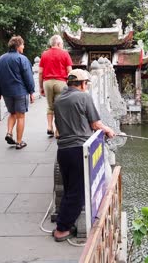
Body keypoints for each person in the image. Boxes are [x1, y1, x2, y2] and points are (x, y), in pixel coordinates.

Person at [52, 69, 115, 242]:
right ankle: (62, 229)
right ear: (82, 83)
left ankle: (63, 220)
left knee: (69, 189)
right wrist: (109, 130)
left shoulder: (58, 100)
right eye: (86, 84)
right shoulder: (84, 97)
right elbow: (95, 123)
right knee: (78, 191)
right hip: (79, 150)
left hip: (63, 151)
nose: (86, 87)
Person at [0, 35, 35, 150]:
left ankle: (9, 133)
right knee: (21, 116)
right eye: (22, 45)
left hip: (7, 92)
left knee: (12, 113)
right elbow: (28, 77)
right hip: (20, 92)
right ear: (18, 46)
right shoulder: (22, 59)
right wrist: (31, 91)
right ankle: (19, 142)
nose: (23, 47)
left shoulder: (1, 59)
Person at [39, 35, 73, 137]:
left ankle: (49, 127)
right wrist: (71, 86)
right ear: (58, 43)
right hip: (61, 82)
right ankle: (58, 131)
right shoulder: (65, 53)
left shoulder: (44, 54)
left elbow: (40, 72)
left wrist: (40, 87)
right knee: (60, 107)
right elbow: (70, 71)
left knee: (50, 106)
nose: (63, 46)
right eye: (62, 44)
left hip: (47, 82)